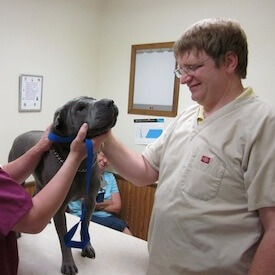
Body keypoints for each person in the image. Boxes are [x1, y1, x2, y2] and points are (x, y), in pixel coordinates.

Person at [93, 18, 275, 274]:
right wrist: (105, 137)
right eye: (180, 70)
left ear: (230, 62)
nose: (183, 79)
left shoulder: (262, 123)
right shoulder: (188, 116)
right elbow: (144, 170)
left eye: (193, 67)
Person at [0, 123, 100, 275]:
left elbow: (4, 175)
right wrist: (75, 156)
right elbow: (34, 220)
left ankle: (84, 240)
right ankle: (66, 253)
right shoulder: (22, 143)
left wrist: (40, 147)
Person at [69, 151, 132, 235]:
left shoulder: (110, 178)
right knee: (123, 229)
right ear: (96, 154)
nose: (105, 161)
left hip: (106, 217)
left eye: (109, 158)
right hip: (82, 216)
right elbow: (86, 202)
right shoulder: (83, 172)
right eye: (103, 156)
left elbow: (117, 207)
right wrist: (108, 202)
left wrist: (95, 205)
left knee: (125, 231)